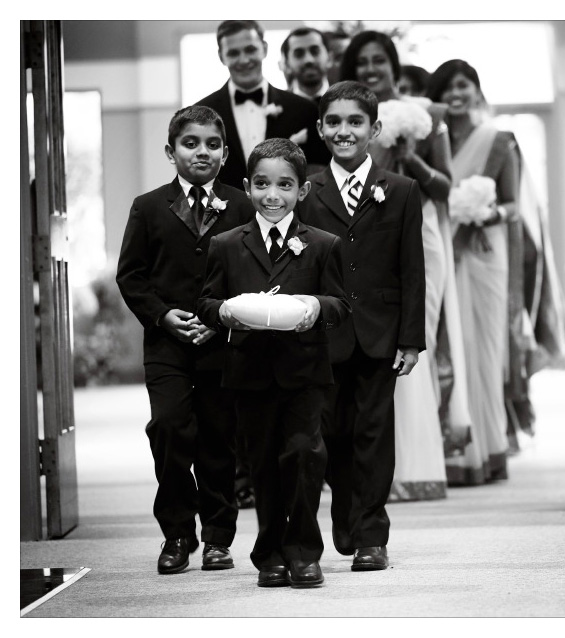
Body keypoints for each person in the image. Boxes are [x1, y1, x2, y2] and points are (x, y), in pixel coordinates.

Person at [197, 137, 351, 589]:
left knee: (304, 456)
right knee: (262, 463)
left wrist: (314, 308)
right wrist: (223, 311)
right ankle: (270, 552)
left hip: (305, 370)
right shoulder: (226, 244)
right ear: (247, 186)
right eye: (262, 183)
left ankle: (304, 550)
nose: (272, 194)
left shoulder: (323, 244)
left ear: (302, 190)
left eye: (285, 185)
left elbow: (341, 303)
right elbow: (206, 300)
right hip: (250, 371)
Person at [115, 105, 255, 574]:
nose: (202, 152)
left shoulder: (241, 205)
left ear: (225, 152)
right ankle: (177, 532)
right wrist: (161, 315)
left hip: (223, 342)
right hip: (167, 344)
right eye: (190, 143)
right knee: (171, 430)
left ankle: (218, 536)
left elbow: (253, 271)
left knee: (220, 438)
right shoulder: (148, 206)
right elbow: (131, 276)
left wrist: (224, 318)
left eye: (212, 144)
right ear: (170, 151)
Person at [341, 31, 470, 501]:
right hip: (363, 241)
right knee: (369, 344)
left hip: (422, 235)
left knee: (416, 336)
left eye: (380, 60)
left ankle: (417, 465)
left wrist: (407, 157)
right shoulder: (343, 119)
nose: (372, 68)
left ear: (394, 66)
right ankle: (371, 470)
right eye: (362, 62)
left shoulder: (429, 115)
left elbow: (444, 188)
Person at [302, 81, 425, 570]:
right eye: (333, 122)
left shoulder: (401, 190)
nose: (344, 130)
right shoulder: (307, 190)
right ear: (320, 129)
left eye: (355, 121)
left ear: (374, 129)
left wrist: (411, 339)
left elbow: (412, 270)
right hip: (325, 336)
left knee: (373, 433)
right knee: (332, 434)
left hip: (379, 333)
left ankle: (373, 533)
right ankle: (346, 510)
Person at [426, 59, 518, 484]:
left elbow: (514, 205)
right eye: (447, 88)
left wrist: (485, 212)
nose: (455, 95)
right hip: (445, 247)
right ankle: (457, 453)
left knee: (483, 348)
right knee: (451, 347)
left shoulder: (499, 139)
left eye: (463, 86)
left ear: (477, 91)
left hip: (483, 253)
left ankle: (491, 449)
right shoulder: (433, 138)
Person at [196, 20, 330, 191]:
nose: (244, 60)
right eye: (233, 53)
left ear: (264, 49)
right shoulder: (201, 115)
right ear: (221, 56)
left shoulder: (304, 109)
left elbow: (318, 175)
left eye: (250, 49)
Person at [279, 26, 331, 104]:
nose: (308, 60)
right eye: (298, 54)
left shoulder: (347, 100)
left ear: (329, 57)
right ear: (287, 64)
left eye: (315, 51)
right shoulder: (278, 103)